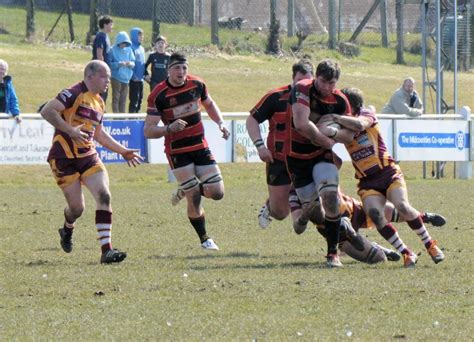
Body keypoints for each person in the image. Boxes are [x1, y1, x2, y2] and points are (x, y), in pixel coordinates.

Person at [323, 87, 445, 267]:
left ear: (352, 106)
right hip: (367, 181)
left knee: (402, 205)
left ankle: (430, 245)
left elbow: (358, 126)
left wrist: (334, 118)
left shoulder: (367, 114)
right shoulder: (342, 125)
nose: (340, 108)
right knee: (375, 215)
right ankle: (407, 253)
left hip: (387, 172)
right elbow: (331, 137)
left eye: (343, 105)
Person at [40, 60, 143, 264]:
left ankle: (107, 251)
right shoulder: (73, 92)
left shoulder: (99, 102)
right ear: (90, 76)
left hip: (88, 156)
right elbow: (47, 111)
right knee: (77, 209)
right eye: (104, 76)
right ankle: (67, 227)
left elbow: (99, 134)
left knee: (104, 195)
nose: (108, 81)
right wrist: (69, 130)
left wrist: (123, 151)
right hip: (63, 158)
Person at [144, 52, 230, 250]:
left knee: (217, 193)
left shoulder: (197, 84)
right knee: (195, 196)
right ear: (168, 70)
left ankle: (186, 189)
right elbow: (148, 130)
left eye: (184, 68)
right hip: (178, 151)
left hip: (200, 146)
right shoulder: (158, 94)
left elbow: (209, 103)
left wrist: (221, 123)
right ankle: (205, 239)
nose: (181, 72)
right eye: (177, 68)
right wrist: (168, 128)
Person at [287, 59, 353, 268]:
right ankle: (332, 225)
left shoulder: (341, 101)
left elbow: (350, 135)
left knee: (331, 198)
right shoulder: (301, 90)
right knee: (316, 212)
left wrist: (333, 132)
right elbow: (301, 124)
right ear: (316, 77)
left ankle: (333, 253)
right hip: (297, 158)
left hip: (321, 156)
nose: (327, 87)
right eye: (323, 82)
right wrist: (326, 140)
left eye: (331, 83)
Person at [246, 59, 314, 229]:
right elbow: (252, 119)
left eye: (307, 82)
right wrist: (260, 147)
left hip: (305, 159)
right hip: (278, 160)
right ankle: (270, 206)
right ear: (293, 79)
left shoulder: (317, 99)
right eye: (299, 81)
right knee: (281, 213)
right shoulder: (276, 97)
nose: (303, 86)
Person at [110, 31, 135, 113]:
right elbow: (110, 64)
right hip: (116, 77)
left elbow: (133, 63)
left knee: (123, 99)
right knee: (116, 98)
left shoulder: (129, 50)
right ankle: (116, 117)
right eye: (122, 43)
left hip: (126, 78)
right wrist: (119, 64)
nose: (123, 45)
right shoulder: (112, 50)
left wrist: (129, 63)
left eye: (125, 43)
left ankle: (122, 118)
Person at [92, 15, 113, 102]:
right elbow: (99, 53)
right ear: (105, 25)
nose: (112, 27)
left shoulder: (106, 36)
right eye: (110, 25)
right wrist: (103, 69)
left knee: (104, 92)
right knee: (100, 91)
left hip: (106, 68)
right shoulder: (100, 36)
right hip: (100, 69)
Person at [128, 27, 146, 113]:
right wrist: (133, 76)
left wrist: (145, 75)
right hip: (134, 79)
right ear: (134, 36)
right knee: (134, 100)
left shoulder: (141, 48)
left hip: (141, 79)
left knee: (140, 100)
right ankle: (131, 118)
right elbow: (131, 64)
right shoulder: (131, 48)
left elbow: (143, 64)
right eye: (139, 35)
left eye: (142, 35)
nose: (141, 37)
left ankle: (137, 116)